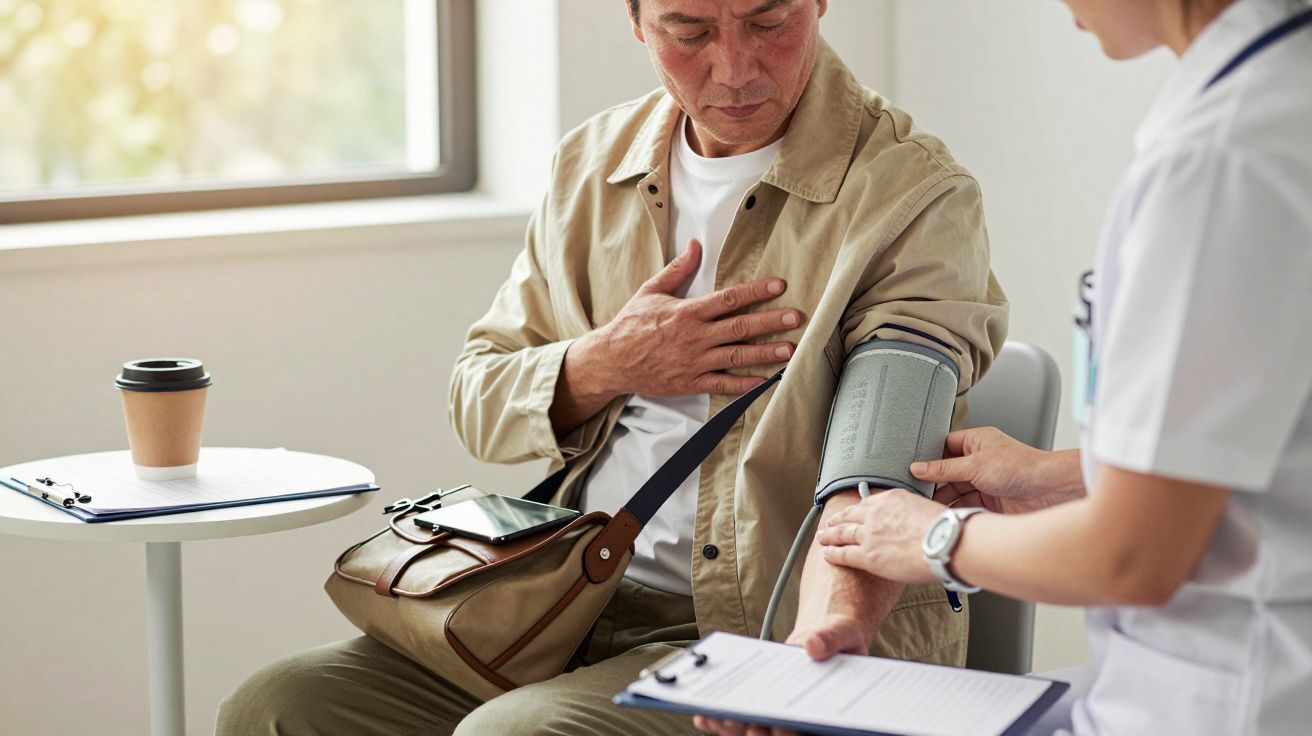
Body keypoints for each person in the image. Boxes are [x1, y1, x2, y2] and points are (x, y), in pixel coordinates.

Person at [216, 1, 1008, 734]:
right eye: (689, 32)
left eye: (769, 22)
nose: (733, 68)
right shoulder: (593, 166)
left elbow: (879, 453)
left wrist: (827, 631)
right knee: (276, 708)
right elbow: (477, 396)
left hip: (754, 623)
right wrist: (608, 362)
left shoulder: (912, 194)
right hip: (567, 601)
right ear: (634, 21)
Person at [692, 0, 1312, 734]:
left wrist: (933, 541)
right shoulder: (1277, 103)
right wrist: (1069, 476)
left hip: (1230, 692)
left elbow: (1133, 557)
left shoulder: (1221, 165)